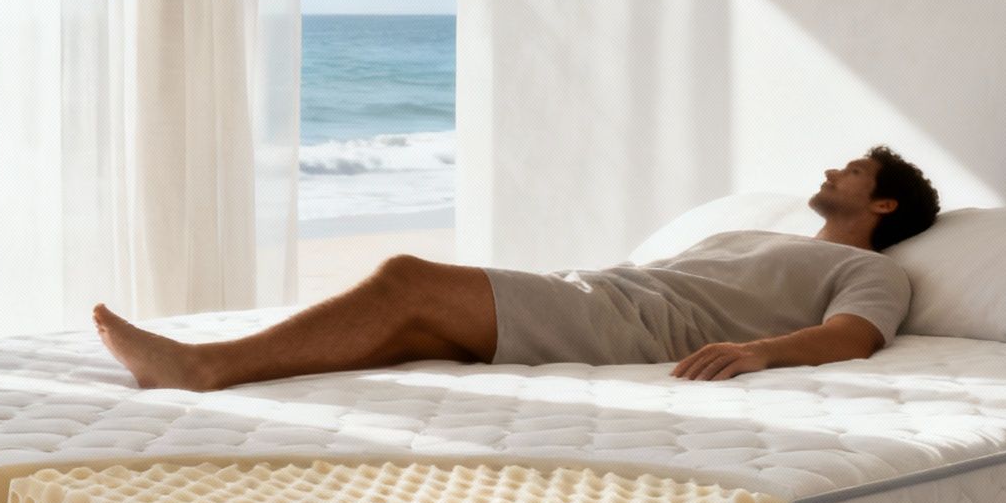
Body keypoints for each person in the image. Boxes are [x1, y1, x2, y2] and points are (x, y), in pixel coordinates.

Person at [94, 145, 940, 391]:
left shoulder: (878, 276)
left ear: (885, 206)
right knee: (410, 328)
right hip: (604, 291)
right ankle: (247, 361)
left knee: (405, 282)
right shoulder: (752, 233)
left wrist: (759, 354)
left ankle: (203, 366)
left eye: (853, 172)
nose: (831, 172)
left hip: (625, 328)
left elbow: (852, 339)